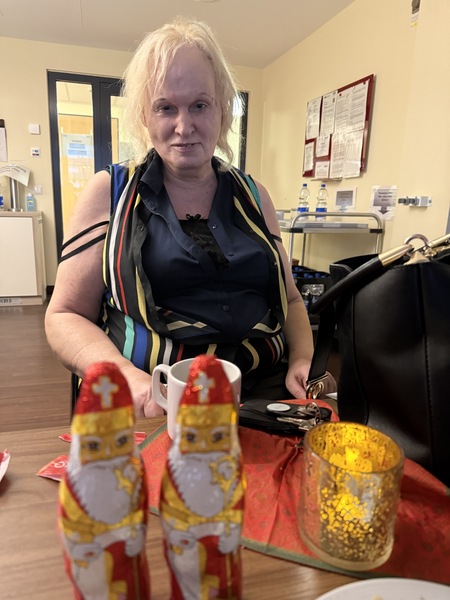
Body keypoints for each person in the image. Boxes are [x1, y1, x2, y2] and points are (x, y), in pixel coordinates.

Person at [45, 16, 324, 419]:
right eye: (165, 107)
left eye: (199, 105)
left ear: (222, 110)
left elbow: (292, 299)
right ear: (144, 116)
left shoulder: (254, 196)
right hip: (154, 402)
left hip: (264, 399)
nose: (184, 126)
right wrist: (129, 378)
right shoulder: (110, 192)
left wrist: (302, 359)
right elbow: (64, 316)